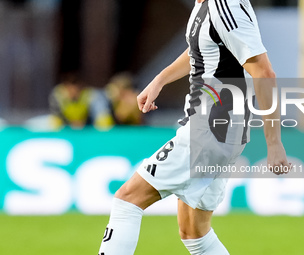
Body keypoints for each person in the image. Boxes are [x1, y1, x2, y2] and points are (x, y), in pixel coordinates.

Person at [98, 0, 291, 254]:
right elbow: (200, 50)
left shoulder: (226, 6)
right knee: (194, 234)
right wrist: (160, 80)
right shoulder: (208, 5)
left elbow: (264, 73)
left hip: (208, 132)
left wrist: (274, 143)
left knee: (128, 200)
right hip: (219, 134)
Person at [49, 73, 114, 130]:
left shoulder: (91, 95)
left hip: (88, 129)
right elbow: (56, 120)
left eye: (75, 87)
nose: (72, 91)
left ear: (81, 86)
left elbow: (103, 118)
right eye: (69, 88)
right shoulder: (57, 95)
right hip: (67, 130)